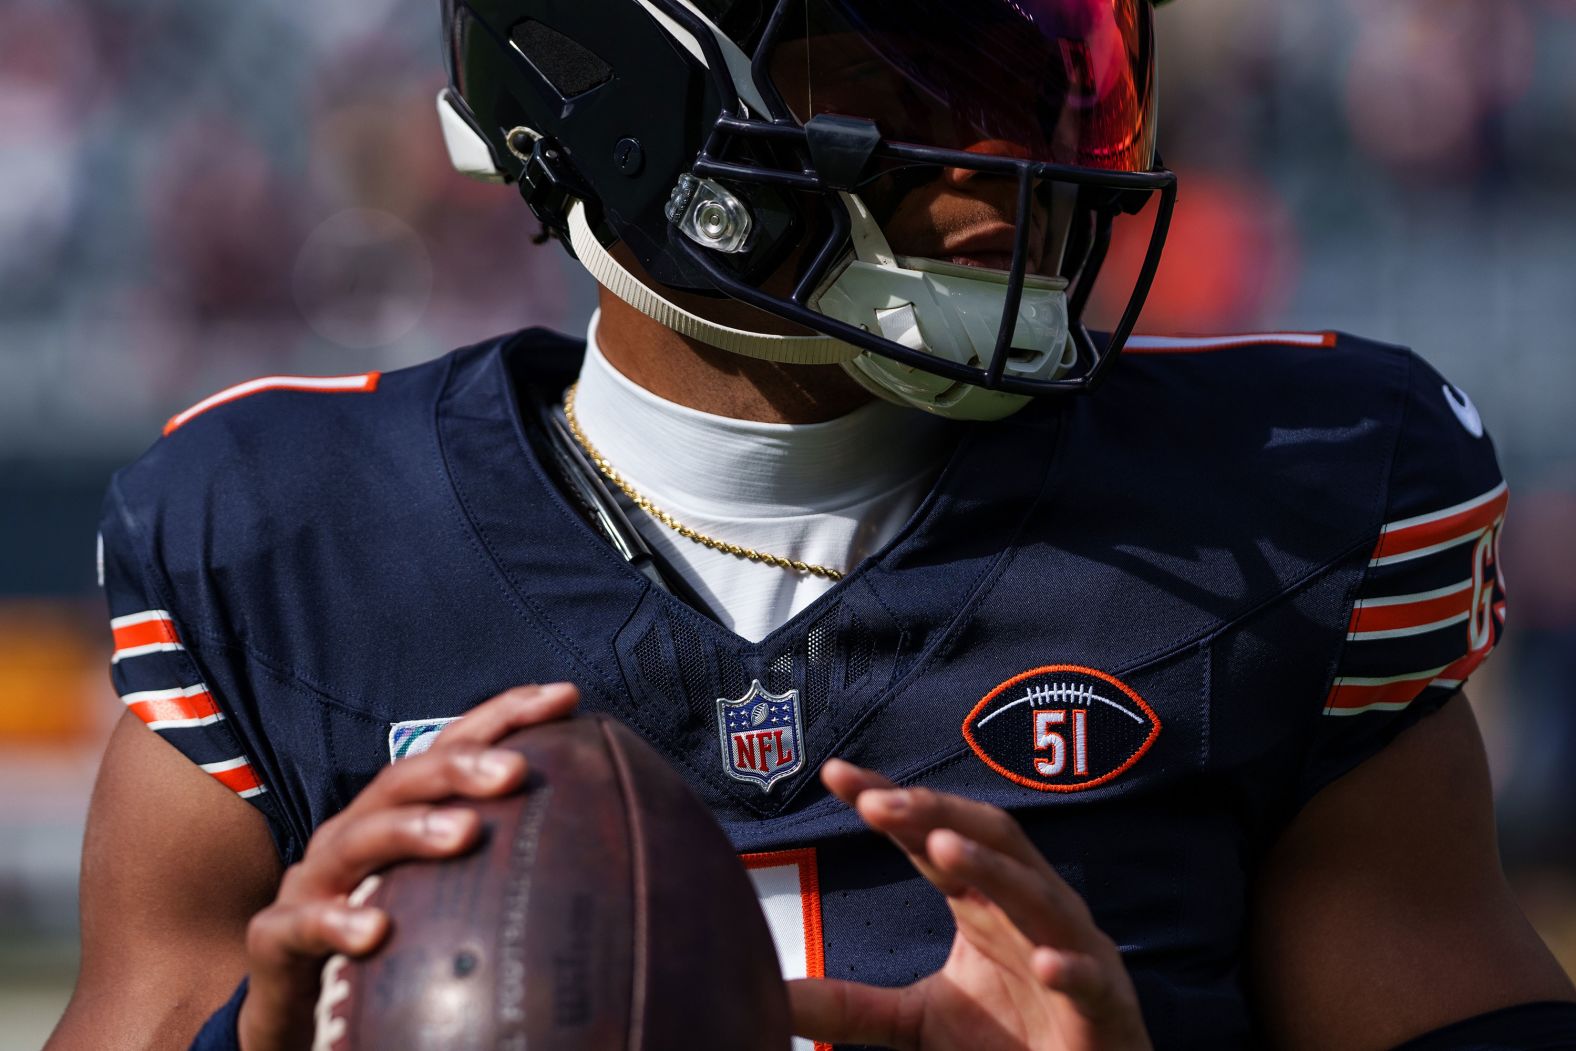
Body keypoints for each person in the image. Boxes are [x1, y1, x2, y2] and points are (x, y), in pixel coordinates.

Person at [48, 0, 1576, 1048]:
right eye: (913, 94)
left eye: (1062, 81)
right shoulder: (286, 547)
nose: (1012, 173)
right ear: (629, 102)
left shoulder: (1270, 521)